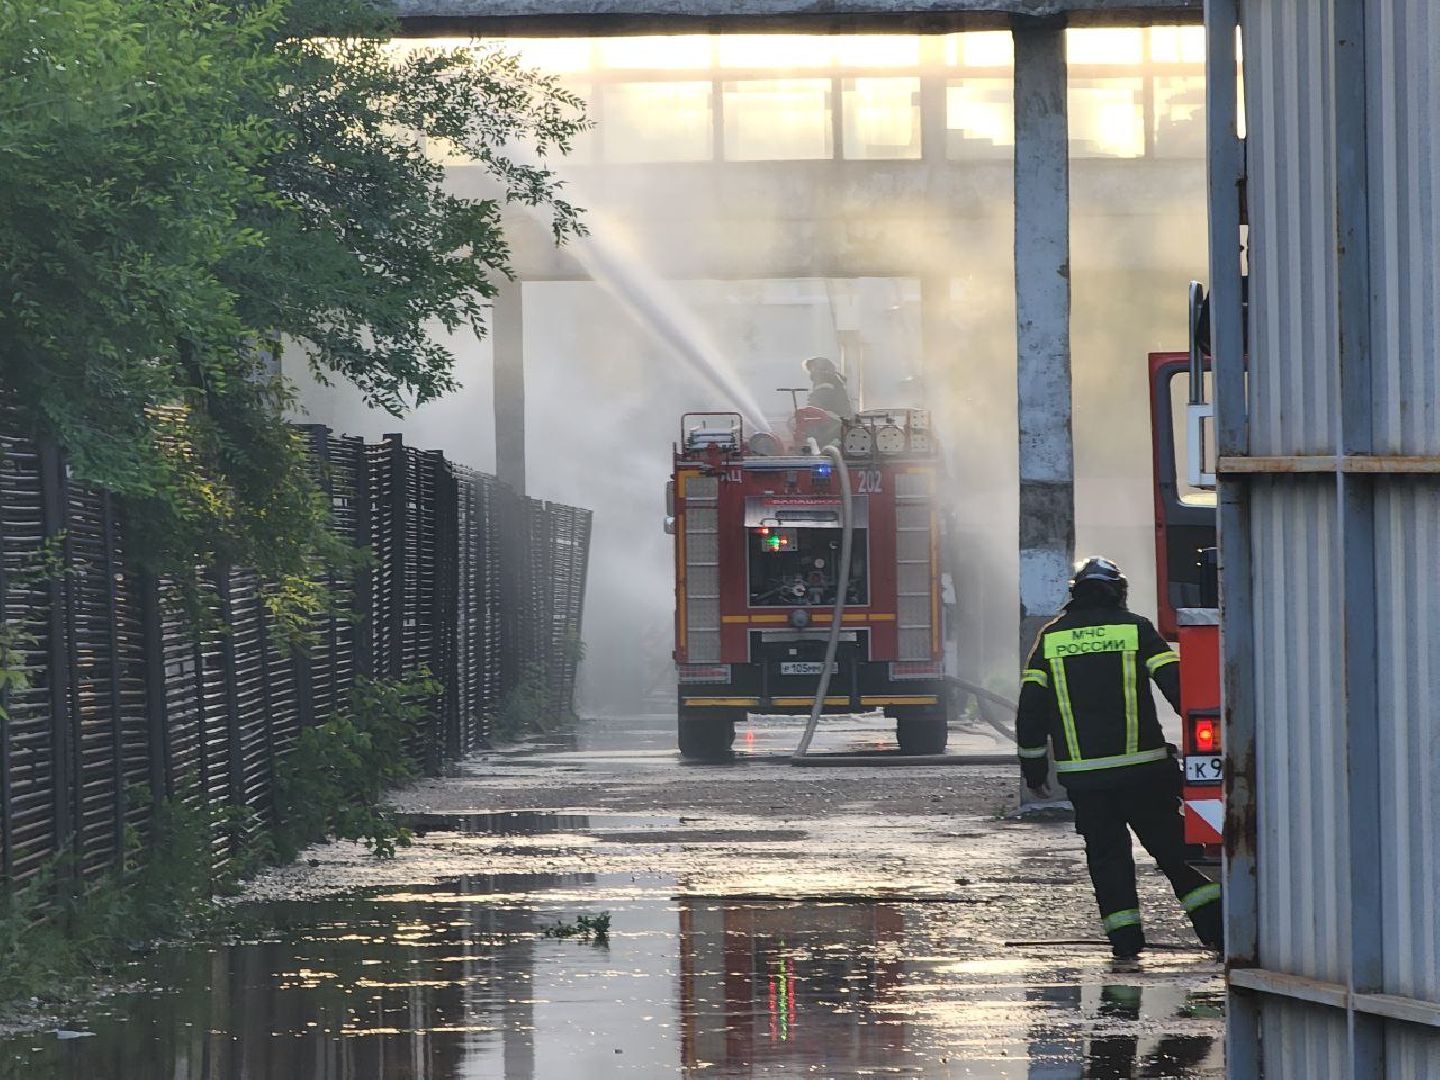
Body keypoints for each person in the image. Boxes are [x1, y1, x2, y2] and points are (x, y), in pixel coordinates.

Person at [1016, 557, 1222, 962]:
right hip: (1144, 772)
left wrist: (1035, 770)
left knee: (1108, 860)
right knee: (1175, 855)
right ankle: (1217, 932)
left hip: (1086, 781)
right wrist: (1218, 741)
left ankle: (1126, 943)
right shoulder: (1135, 629)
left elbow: (1031, 711)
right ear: (1119, 591)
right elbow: (1180, 689)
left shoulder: (1052, 638)